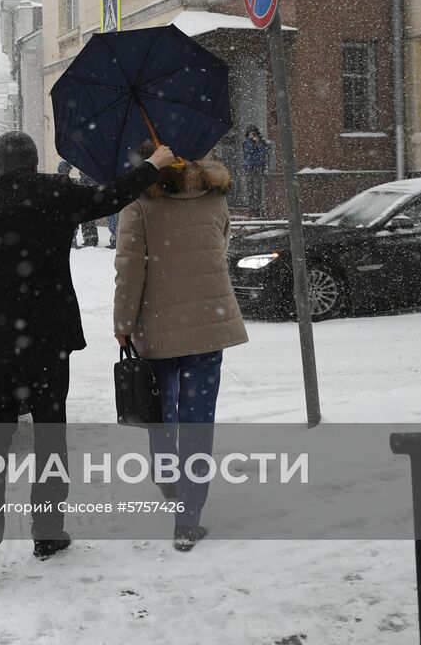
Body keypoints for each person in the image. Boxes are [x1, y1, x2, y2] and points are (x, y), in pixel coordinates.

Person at [0, 132, 175, 582]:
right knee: (50, 438)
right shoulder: (58, 194)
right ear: (34, 161)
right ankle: (47, 530)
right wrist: (153, 163)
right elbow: (112, 195)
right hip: (48, 342)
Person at [112, 149, 249, 553]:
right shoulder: (216, 197)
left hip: (156, 327)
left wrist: (123, 324)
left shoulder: (139, 203)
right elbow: (217, 252)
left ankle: (166, 473)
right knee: (199, 422)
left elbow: (130, 268)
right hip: (209, 324)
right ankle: (188, 520)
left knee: (160, 412)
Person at [55, 160, 100, 248]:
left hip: (82, 192)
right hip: (86, 192)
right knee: (86, 217)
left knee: (77, 218)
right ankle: (89, 239)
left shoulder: (64, 179)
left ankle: (86, 239)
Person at [241, 126, 270, 217]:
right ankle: (252, 208)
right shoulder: (246, 143)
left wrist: (258, 143)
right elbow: (249, 151)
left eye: (254, 133)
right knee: (250, 188)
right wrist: (252, 141)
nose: (252, 135)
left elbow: (263, 153)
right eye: (250, 134)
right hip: (249, 168)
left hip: (258, 167)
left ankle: (258, 208)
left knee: (258, 189)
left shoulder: (262, 143)